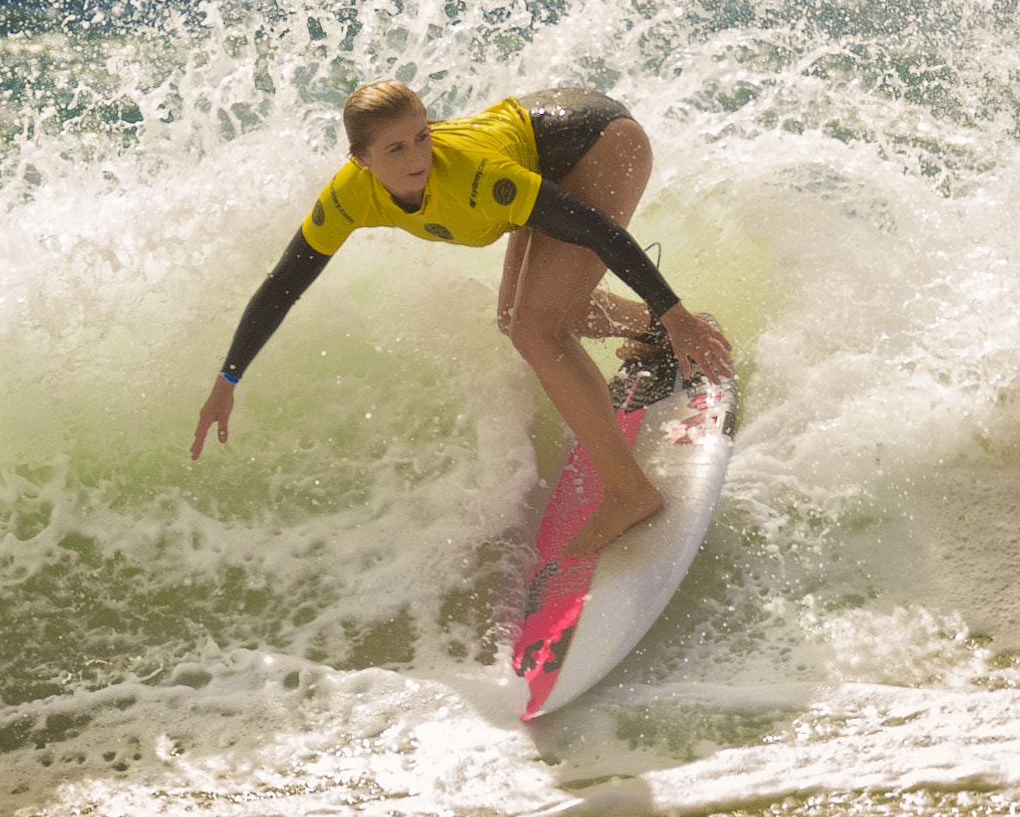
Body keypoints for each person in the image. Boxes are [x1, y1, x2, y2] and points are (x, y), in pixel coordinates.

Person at [190, 81, 733, 557]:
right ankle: (658, 335)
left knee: (536, 330)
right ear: (361, 161)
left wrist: (674, 307)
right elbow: (284, 284)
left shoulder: (475, 175)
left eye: (422, 135)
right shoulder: (350, 198)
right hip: (539, 150)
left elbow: (599, 233)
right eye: (395, 148)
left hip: (597, 141)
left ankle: (629, 492)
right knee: (517, 315)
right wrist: (227, 378)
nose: (416, 157)